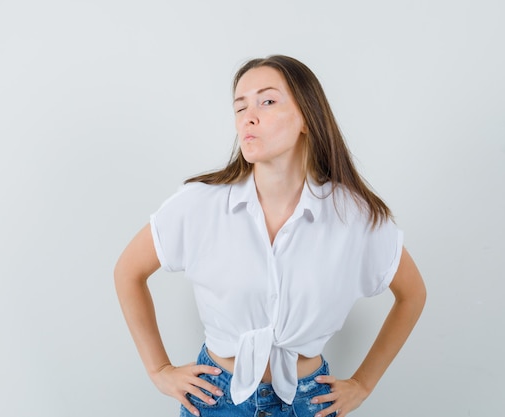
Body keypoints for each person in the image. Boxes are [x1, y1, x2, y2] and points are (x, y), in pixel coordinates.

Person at [114, 55, 426, 417]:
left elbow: (412, 295)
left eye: (267, 101)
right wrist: (159, 370)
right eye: (239, 106)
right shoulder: (199, 205)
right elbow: (127, 272)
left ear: (308, 118)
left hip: (310, 403)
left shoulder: (355, 217)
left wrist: (363, 384)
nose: (249, 115)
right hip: (216, 400)